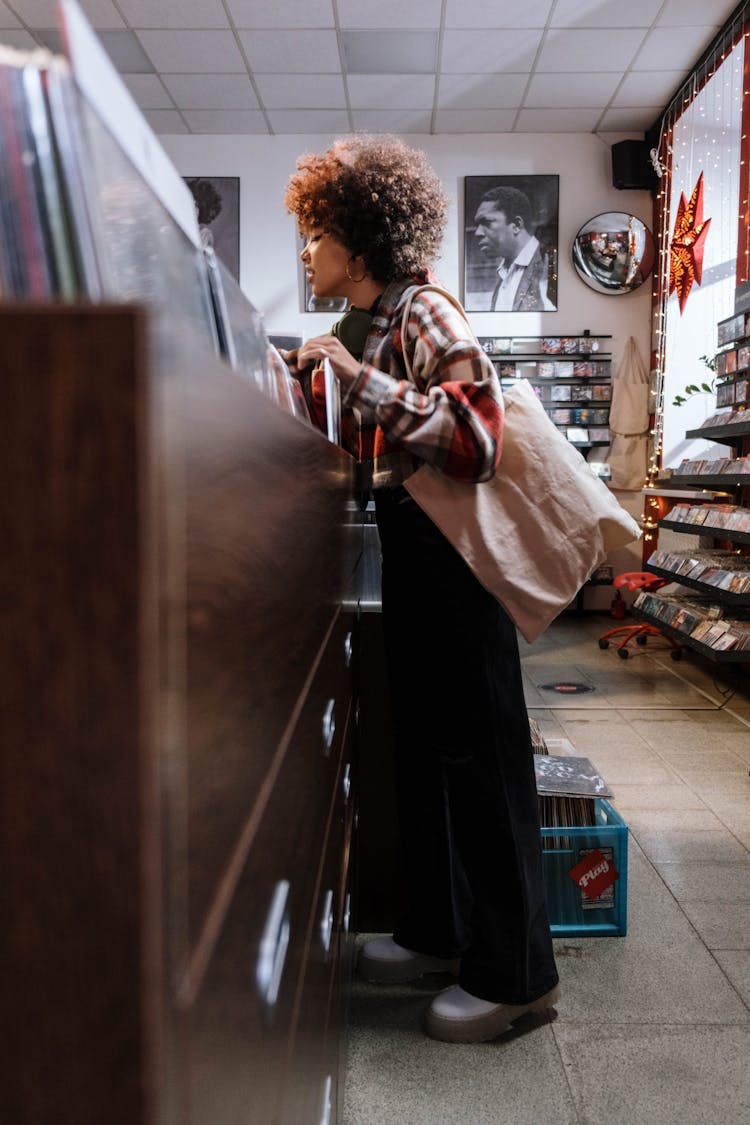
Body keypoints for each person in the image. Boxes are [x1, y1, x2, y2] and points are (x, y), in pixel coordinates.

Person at [283, 136, 559, 1045]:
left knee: (481, 760)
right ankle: (438, 931)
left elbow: (477, 439)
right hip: (412, 551)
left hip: (456, 562)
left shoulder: (427, 311)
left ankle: (515, 975)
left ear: (359, 244)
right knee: (424, 750)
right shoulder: (373, 319)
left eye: (317, 236)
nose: (307, 253)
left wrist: (359, 382)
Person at [473, 185, 555, 311]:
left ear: (516, 225)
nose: (478, 232)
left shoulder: (551, 263)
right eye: (477, 225)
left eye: (486, 223)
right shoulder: (503, 273)